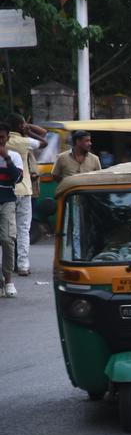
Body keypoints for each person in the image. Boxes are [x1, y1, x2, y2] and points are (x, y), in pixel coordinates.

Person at [8, 115, 46, 277]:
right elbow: (44, 140)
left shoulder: (5, 141)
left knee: (8, 230)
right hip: (23, 190)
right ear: (19, 126)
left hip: (6, 191)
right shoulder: (24, 142)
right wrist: (27, 128)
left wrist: (23, 126)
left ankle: (8, 264)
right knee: (23, 229)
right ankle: (23, 265)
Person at [0, 122, 25, 298]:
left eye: (1, 137)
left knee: (8, 240)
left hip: (7, 201)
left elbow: (16, 178)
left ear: (7, 138)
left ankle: (8, 280)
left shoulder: (14, 156)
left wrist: (6, 158)